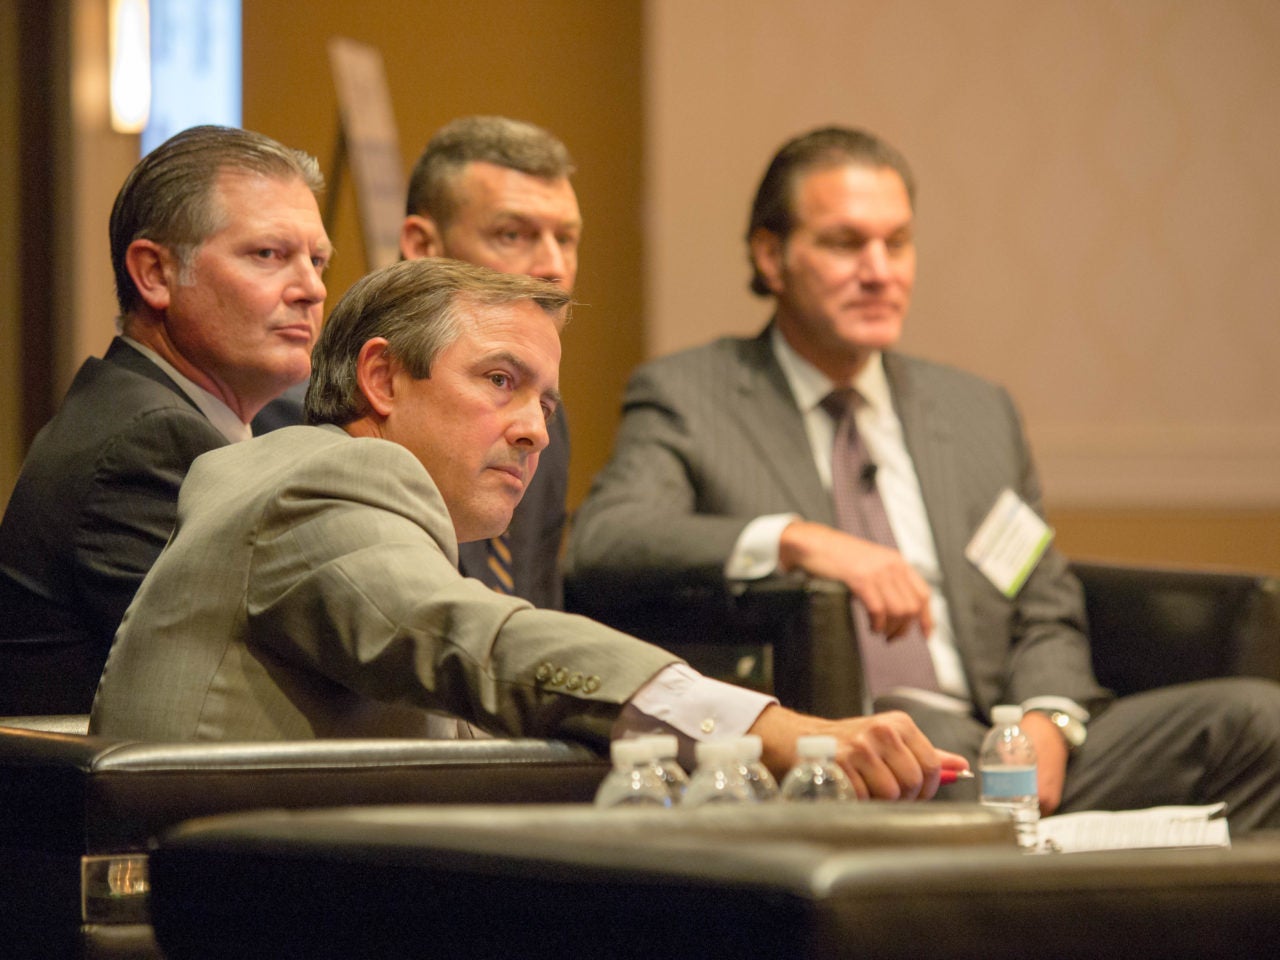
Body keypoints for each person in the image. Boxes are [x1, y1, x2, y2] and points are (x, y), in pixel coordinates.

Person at [565, 125, 1280, 830]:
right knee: (929, 785)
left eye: (897, 242)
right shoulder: (692, 395)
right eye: (846, 243)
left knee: (1257, 723)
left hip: (996, 737)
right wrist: (798, 539)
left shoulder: (974, 411)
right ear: (771, 255)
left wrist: (1048, 720)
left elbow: (1042, 600)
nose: (879, 270)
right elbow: (608, 540)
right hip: (852, 747)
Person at [89, 257, 966, 799]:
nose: (536, 429)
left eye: (545, 401)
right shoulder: (323, 479)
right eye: (500, 382)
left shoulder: (378, 515)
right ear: (384, 379)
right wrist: (781, 735)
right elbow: (484, 644)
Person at [0, 125, 330, 715]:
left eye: (318, 260)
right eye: (268, 255)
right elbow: (255, 693)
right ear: (155, 274)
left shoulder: (174, 419)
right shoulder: (146, 443)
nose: (310, 288)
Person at [255, 115, 578, 609]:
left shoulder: (542, 430)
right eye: (513, 235)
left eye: (567, 239)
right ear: (423, 246)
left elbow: (539, 620)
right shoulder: (302, 426)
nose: (553, 266)